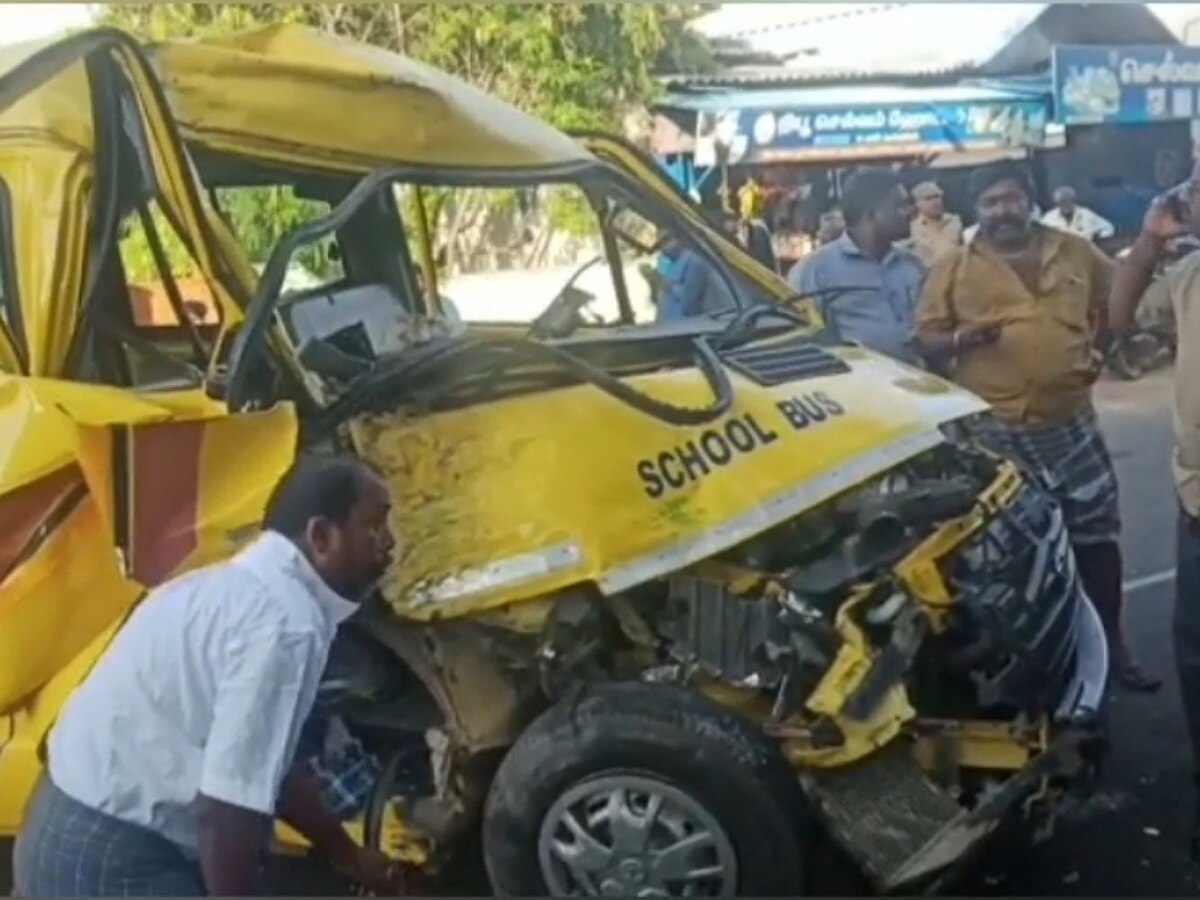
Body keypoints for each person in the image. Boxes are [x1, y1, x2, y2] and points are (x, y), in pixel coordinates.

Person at [13, 455, 406, 897]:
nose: (389, 543)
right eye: (375, 526)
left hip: (59, 830)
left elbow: (262, 771)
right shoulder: (284, 625)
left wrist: (350, 857)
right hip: (112, 860)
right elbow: (225, 811)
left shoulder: (219, 587)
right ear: (321, 536)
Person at [914, 160, 1160, 694]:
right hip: (995, 433)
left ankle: (1113, 648)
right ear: (975, 212)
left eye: (1011, 199)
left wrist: (1100, 347)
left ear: (1029, 200)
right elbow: (928, 340)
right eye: (991, 203)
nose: (1003, 211)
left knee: (1097, 541)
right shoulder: (952, 268)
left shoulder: (1074, 250)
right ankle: (1037, 666)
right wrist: (963, 341)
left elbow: (1117, 302)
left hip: (1071, 424)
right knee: (1012, 559)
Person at [1108, 161, 1200, 858]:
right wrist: (1148, 242)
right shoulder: (1188, 274)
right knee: (1194, 650)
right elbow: (1117, 318)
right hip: (1197, 495)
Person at [787, 167, 923, 365]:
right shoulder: (816, 270)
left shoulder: (911, 265)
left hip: (917, 385)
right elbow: (801, 339)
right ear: (870, 215)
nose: (910, 213)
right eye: (899, 206)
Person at [905, 180, 963, 268]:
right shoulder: (912, 228)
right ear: (917, 204)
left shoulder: (956, 222)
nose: (935, 202)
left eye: (937, 197)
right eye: (928, 199)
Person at [1042, 185, 1115, 243]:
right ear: (1057, 203)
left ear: (1073, 200)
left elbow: (1108, 227)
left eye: (1068, 200)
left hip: (1084, 253)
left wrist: (1098, 240)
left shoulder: (1086, 214)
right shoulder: (1048, 219)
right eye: (1062, 201)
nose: (1066, 204)